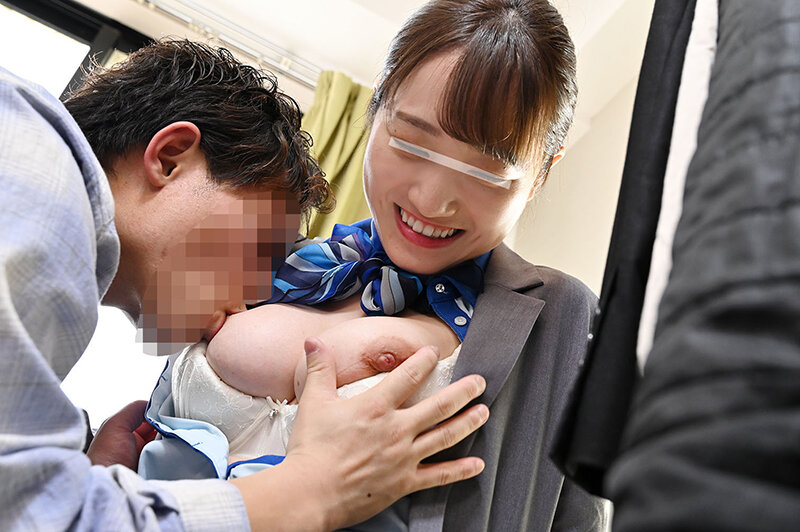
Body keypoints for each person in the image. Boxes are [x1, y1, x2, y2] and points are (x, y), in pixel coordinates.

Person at [147, 1, 612, 529]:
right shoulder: (281, 260)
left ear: (542, 172)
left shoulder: (561, 318)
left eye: (486, 174)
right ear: (376, 104)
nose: (431, 201)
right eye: (412, 144)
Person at [0, 39, 490, 531]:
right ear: (169, 158)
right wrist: (309, 489)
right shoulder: (44, 185)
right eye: (256, 251)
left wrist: (91, 479)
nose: (243, 302)